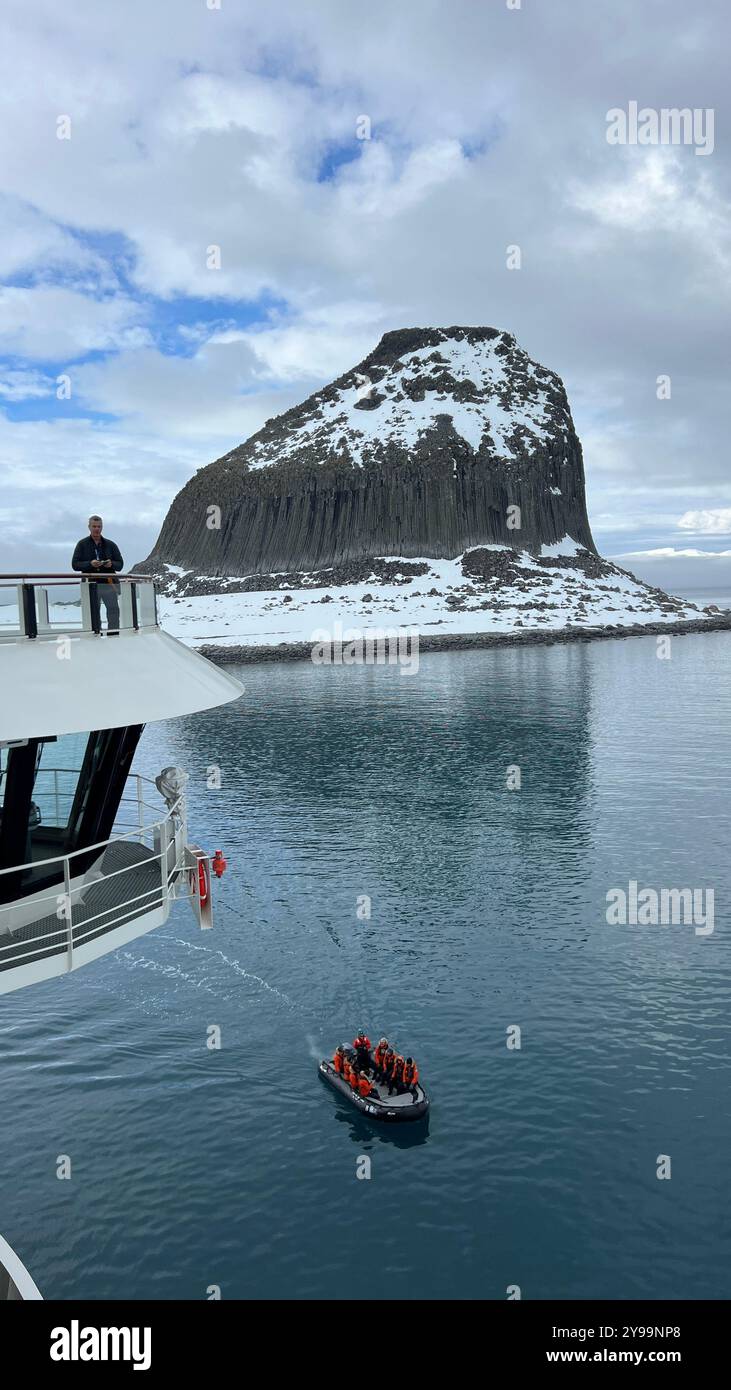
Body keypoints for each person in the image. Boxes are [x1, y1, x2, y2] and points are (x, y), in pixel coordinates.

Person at [71, 515, 124, 634]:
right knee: (93, 613)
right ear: (89, 527)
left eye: (99, 526)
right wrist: (90, 564)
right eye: (94, 526)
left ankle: (114, 635)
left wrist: (111, 564)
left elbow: (120, 564)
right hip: (91, 586)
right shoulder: (82, 544)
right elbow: (75, 565)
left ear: (102, 527)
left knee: (113, 611)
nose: (96, 529)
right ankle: (95, 636)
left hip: (108, 585)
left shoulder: (111, 545)